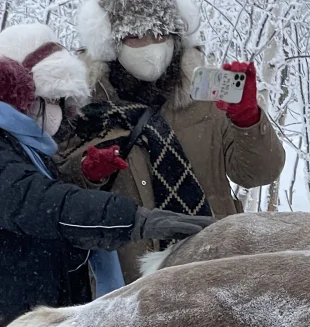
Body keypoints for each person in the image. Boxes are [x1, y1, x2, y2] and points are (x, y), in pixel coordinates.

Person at [0, 24, 209, 326]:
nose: (61, 112)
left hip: (35, 314)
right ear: (23, 97)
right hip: (17, 325)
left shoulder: (30, 148)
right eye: (55, 99)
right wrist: (133, 220)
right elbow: (40, 203)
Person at [61, 0, 285, 281]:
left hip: (215, 264)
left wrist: (248, 120)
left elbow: (259, 173)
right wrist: (87, 172)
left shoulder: (207, 99)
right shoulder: (86, 106)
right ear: (111, 43)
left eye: (160, 34)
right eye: (136, 36)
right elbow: (61, 191)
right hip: (130, 279)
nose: (151, 46)